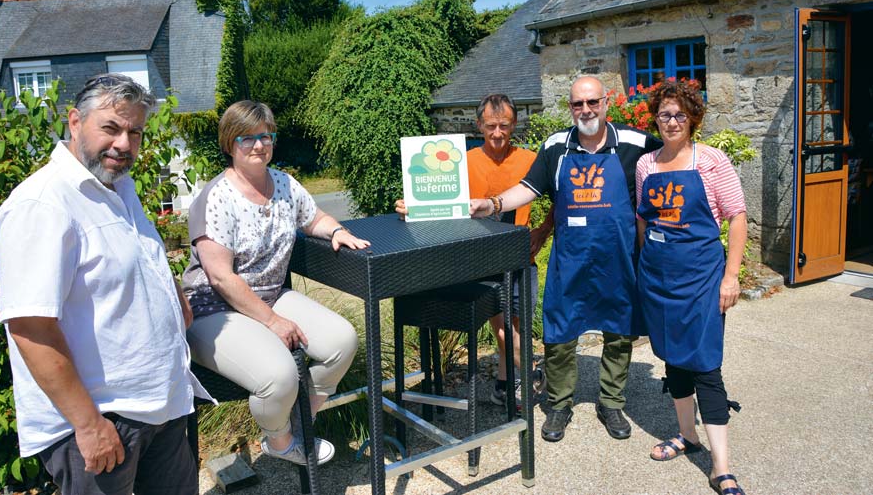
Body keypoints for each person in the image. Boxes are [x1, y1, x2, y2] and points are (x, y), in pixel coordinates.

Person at [0, 73, 207, 495]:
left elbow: (140, 261)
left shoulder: (118, 188)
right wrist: (89, 425)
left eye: (135, 132)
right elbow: (30, 328)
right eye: (110, 128)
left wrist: (176, 303)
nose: (124, 144)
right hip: (100, 420)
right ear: (75, 122)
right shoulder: (43, 204)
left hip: (157, 405)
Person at [470, 76, 663, 443]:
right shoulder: (557, 145)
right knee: (559, 333)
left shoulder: (637, 143)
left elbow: (671, 161)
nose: (586, 110)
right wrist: (493, 204)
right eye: (578, 104)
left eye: (593, 102)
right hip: (571, 257)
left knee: (619, 331)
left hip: (618, 257)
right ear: (570, 107)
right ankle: (559, 404)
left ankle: (612, 402)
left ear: (607, 103)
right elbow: (529, 188)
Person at [181, 100, 369, 466]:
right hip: (212, 308)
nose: (258, 145)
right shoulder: (215, 199)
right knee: (279, 375)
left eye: (266, 135)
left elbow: (313, 218)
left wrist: (337, 230)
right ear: (229, 143)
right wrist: (272, 322)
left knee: (342, 341)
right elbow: (220, 277)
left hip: (269, 294)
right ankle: (280, 441)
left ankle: (302, 418)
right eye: (247, 138)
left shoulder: (284, 183)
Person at [395, 93, 552, 406]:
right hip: (481, 261)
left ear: (514, 124)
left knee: (514, 328)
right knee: (504, 330)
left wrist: (543, 230)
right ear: (479, 125)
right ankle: (527, 378)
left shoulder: (530, 159)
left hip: (521, 257)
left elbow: (561, 197)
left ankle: (513, 383)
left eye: (504, 126)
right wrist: (411, 207)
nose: (497, 133)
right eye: (491, 126)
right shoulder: (461, 162)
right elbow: (439, 202)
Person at [636, 80, 747, 495]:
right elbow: (643, 219)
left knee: (705, 364)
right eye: (664, 114)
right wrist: (651, 262)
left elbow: (736, 216)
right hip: (658, 279)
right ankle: (687, 435)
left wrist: (730, 276)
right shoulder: (646, 164)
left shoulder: (712, 160)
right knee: (673, 359)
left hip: (701, 279)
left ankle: (722, 467)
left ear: (693, 118)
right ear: (656, 119)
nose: (672, 121)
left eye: (680, 114)